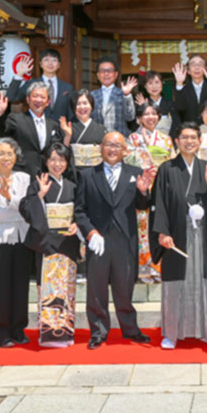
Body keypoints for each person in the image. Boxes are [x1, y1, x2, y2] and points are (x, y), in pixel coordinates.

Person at [74, 131, 156, 349]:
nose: (112, 149)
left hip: (125, 240)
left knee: (125, 286)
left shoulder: (135, 173)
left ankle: (130, 329)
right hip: (98, 240)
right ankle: (98, 332)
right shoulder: (88, 175)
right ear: (101, 147)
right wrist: (90, 232)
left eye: (117, 146)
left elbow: (143, 206)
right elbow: (79, 210)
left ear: (125, 150)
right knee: (96, 289)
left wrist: (143, 192)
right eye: (108, 144)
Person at [149, 122, 207, 350]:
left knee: (202, 283)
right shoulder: (166, 169)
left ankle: (205, 331)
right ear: (176, 141)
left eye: (193, 137)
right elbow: (159, 202)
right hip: (176, 233)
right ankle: (171, 333)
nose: (189, 141)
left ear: (200, 140)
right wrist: (162, 231)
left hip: (201, 233)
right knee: (175, 284)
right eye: (184, 137)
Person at [19, 143, 80, 348]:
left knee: (67, 289)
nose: (57, 164)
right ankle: (49, 334)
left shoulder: (72, 185)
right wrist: (40, 196)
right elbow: (26, 210)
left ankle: (66, 332)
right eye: (53, 159)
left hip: (68, 243)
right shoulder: (38, 183)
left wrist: (76, 224)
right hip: (47, 244)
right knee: (48, 289)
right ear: (46, 161)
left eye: (61, 160)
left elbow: (80, 211)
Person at [0, 138, 31, 348]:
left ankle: (18, 329)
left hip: (21, 239)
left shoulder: (24, 178)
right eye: (1, 153)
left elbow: (29, 211)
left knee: (21, 286)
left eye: (10, 153)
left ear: (16, 156)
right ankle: (0, 331)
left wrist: (9, 200)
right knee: (0, 287)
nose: (6, 158)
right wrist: (16, 208)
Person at [126, 101, 177, 283]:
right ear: (139, 118)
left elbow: (171, 163)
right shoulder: (132, 139)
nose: (150, 117)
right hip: (140, 187)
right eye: (146, 114)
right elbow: (127, 159)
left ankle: (157, 267)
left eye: (154, 114)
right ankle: (142, 269)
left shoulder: (166, 140)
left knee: (158, 225)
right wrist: (145, 157)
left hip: (159, 187)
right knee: (141, 227)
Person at [0, 82, 62, 178]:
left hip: (45, 175)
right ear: (28, 99)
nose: (38, 100)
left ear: (48, 102)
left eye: (42, 97)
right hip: (21, 174)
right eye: (35, 96)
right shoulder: (16, 119)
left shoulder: (53, 125)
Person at [5, 48, 74, 122]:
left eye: (54, 60)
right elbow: (11, 98)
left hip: (60, 132)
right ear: (40, 64)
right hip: (36, 130)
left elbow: (70, 114)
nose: (50, 63)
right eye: (46, 60)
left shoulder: (67, 88)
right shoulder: (31, 84)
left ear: (59, 65)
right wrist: (19, 74)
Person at [90, 57, 138, 136]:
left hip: (119, 139)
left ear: (116, 74)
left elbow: (130, 117)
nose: (106, 74)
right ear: (98, 75)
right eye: (102, 71)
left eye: (109, 70)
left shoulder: (122, 93)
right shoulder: (92, 95)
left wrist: (126, 95)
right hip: (99, 140)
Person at [173, 54, 207, 124]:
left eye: (200, 64)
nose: (197, 67)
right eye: (193, 64)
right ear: (188, 71)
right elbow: (179, 109)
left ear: (205, 69)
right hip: (189, 131)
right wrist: (179, 83)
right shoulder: (182, 89)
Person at [135, 70, 180, 139]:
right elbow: (135, 127)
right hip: (147, 143)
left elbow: (176, 126)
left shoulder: (170, 105)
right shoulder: (141, 104)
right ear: (145, 86)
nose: (154, 86)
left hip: (167, 144)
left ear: (162, 84)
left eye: (157, 82)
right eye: (150, 83)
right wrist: (143, 109)